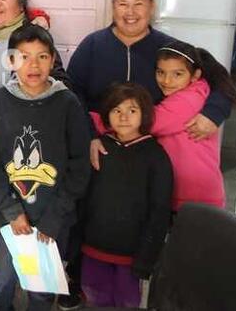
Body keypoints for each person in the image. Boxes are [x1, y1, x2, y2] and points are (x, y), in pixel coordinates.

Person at [64, 0, 233, 309]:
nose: (130, 12)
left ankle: (144, 287)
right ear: (112, 7)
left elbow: (219, 79)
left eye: (138, 4)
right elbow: (73, 92)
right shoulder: (93, 45)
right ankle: (83, 283)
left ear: (152, 7)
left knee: (147, 222)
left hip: (149, 153)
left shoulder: (169, 47)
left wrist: (214, 112)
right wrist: (90, 134)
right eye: (123, 4)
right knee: (99, 213)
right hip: (104, 148)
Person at [0, 25, 91, 311]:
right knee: (0, 285)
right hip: (7, 219)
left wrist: (54, 218)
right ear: (11, 61)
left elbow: (80, 167)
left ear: (53, 59)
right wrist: (11, 211)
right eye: (24, 57)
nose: (33, 65)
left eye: (42, 56)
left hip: (53, 219)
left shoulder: (67, 103)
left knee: (42, 291)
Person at [81, 83, 173, 308]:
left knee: (127, 302)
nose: (124, 117)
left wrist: (147, 256)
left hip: (131, 253)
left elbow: (160, 210)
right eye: (117, 110)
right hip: (93, 245)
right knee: (95, 298)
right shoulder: (98, 148)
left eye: (132, 110)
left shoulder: (156, 156)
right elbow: (83, 197)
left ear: (144, 114)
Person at [151, 41, 236, 209]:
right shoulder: (196, 91)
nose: (167, 81)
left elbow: (143, 123)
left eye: (177, 74)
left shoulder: (188, 100)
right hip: (193, 193)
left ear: (195, 75)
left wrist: (97, 121)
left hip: (195, 196)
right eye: (161, 72)